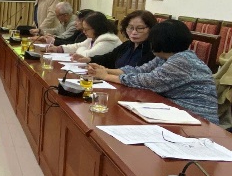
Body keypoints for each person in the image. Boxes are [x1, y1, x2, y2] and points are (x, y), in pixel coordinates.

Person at [89, 19, 218, 124]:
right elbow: (138, 71)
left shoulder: (181, 61)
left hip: (196, 118)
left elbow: (146, 81)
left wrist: (106, 76)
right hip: (176, 112)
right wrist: (105, 70)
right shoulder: (165, 57)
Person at [72, 10, 157, 68]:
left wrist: (106, 73)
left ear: (151, 28)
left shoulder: (154, 50)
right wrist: (89, 59)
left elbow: (137, 74)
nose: (134, 32)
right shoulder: (127, 45)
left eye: (140, 28)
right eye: (130, 28)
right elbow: (109, 57)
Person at [49, 11, 121, 57]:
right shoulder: (93, 37)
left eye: (86, 29)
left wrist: (81, 49)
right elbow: (78, 45)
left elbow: (88, 55)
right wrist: (60, 49)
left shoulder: (107, 40)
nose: (84, 32)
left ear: (96, 28)